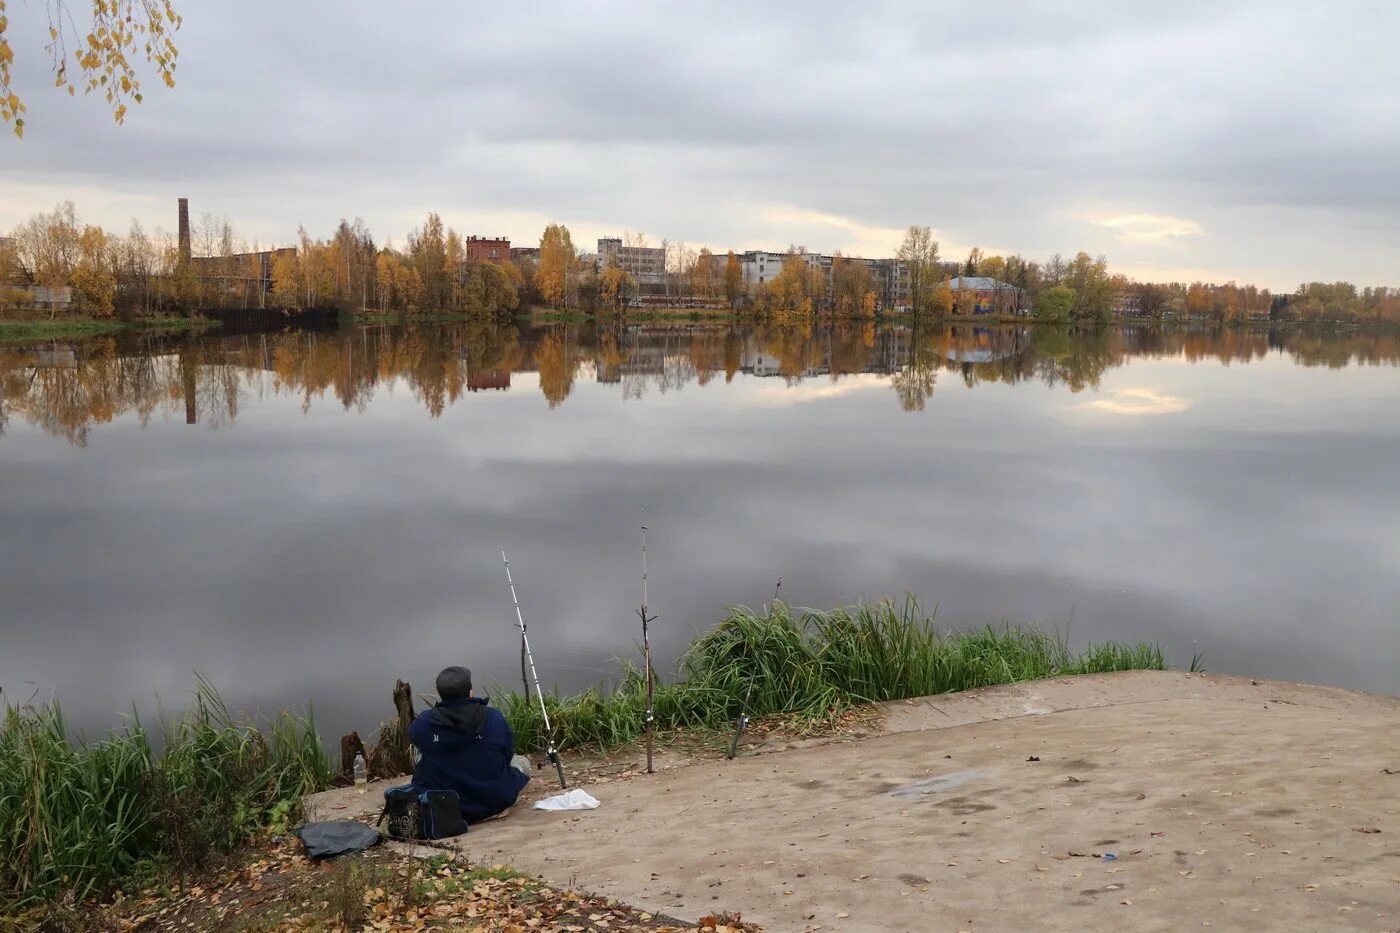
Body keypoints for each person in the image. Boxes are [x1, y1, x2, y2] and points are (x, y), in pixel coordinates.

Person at [409, 665, 530, 823]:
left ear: (441, 695)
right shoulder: (494, 718)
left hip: (446, 806)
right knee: (521, 762)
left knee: (420, 756)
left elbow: (416, 739)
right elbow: (506, 755)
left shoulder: (423, 723)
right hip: (494, 802)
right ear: (470, 692)